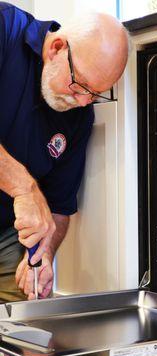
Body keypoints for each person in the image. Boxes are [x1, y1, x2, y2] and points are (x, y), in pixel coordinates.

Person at [0, 2, 129, 302]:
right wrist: (24, 189)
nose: (83, 101)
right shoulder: (5, 28)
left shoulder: (79, 118)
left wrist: (46, 250)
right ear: (56, 48)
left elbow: (60, 206)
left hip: (7, 233)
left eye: (95, 93)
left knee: (23, 327)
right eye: (79, 85)